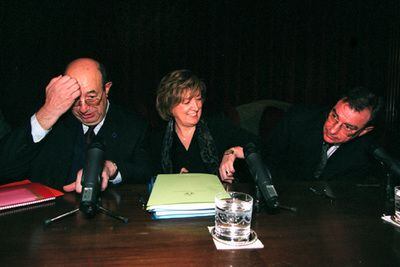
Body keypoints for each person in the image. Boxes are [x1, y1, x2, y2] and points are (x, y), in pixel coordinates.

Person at [1, 58, 153, 191]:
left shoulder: (133, 125)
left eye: (92, 97)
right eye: (75, 99)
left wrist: (112, 168)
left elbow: (147, 170)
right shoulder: (52, 120)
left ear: (106, 89)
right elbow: (6, 168)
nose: (83, 108)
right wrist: (48, 112)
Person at [152, 69, 258, 182]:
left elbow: (262, 146)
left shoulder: (218, 126)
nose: (196, 107)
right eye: (187, 102)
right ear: (169, 107)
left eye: (198, 99)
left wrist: (233, 152)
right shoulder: (158, 139)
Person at [262, 87, 383, 185]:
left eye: (348, 127)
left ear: (364, 131)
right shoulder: (298, 119)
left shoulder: (370, 153)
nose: (333, 130)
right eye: (334, 116)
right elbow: (268, 160)